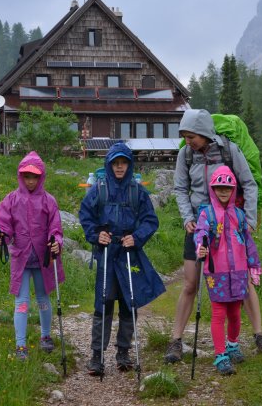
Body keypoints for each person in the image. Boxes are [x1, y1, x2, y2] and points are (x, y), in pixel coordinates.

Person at [165, 109, 262, 364]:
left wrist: (248, 220)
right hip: (198, 227)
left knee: (243, 282)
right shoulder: (186, 154)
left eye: (191, 136)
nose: (188, 141)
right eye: (185, 136)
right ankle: (176, 340)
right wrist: (187, 218)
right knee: (190, 283)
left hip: (230, 225)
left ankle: (259, 335)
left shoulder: (228, 150)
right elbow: (180, 188)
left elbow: (248, 183)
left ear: (204, 132)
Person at [79, 143, 165, 374]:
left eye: (123, 162)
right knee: (103, 302)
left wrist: (136, 237)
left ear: (129, 164)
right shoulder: (99, 189)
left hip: (129, 253)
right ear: (109, 164)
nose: (119, 167)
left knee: (129, 302)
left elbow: (150, 220)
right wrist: (96, 235)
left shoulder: (137, 191)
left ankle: (123, 353)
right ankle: (97, 356)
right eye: (115, 163)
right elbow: (86, 214)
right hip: (107, 253)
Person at [0, 151, 65, 360]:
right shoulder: (11, 200)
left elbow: (55, 229)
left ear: (41, 177)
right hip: (21, 258)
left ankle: (45, 336)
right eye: (27, 176)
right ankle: (20, 346)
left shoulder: (49, 201)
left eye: (34, 177)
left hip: (43, 259)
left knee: (43, 299)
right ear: (20, 176)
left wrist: (56, 242)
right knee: (21, 302)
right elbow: (3, 226)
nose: (30, 181)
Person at [195, 165, 262, 375]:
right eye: (219, 187)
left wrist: (254, 266)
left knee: (235, 313)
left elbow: (248, 243)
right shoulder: (207, 214)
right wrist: (201, 246)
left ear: (233, 189)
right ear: (212, 188)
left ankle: (233, 345)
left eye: (227, 188)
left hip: (239, 271)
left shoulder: (239, 215)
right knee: (218, 313)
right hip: (217, 272)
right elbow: (200, 233)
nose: (223, 191)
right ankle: (220, 355)